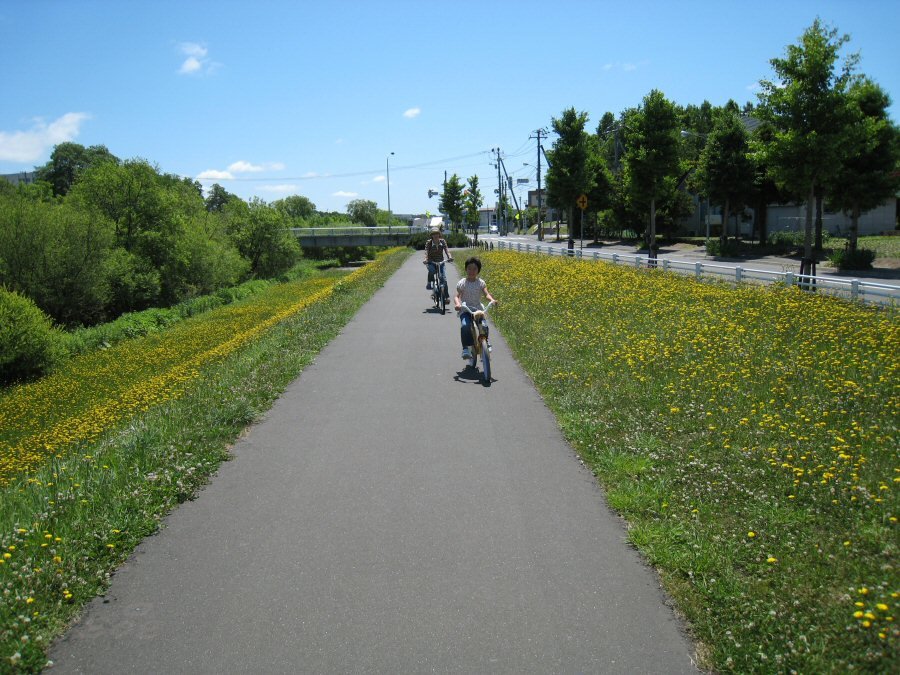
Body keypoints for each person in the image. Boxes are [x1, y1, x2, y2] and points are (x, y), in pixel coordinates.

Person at [454, 256, 498, 360]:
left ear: (478, 270)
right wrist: (457, 304)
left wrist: (492, 300)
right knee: (465, 326)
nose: (472, 271)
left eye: (474, 269)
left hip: (478, 310)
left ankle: (485, 341)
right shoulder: (462, 283)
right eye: (469, 268)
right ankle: (466, 348)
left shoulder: (481, 283)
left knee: (484, 325)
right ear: (466, 269)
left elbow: (486, 294)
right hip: (465, 310)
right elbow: (457, 296)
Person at [424, 226, 452, 298]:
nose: (435, 235)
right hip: (431, 262)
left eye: (437, 234)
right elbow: (426, 252)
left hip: (441, 262)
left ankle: (446, 297)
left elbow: (446, 250)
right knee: (432, 270)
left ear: (439, 234)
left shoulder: (442, 241)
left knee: (443, 279)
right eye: (434, 234)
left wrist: (450, 257)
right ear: (431, 235)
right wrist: (426, 259)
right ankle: (429, 282)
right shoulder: (429, 243)